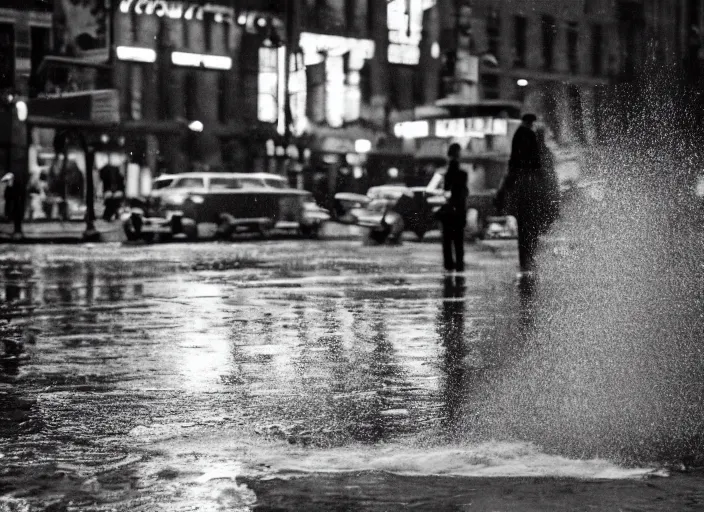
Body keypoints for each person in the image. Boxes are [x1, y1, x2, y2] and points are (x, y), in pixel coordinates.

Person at [495, 113, 558, 272]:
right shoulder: (539, 148)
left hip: (524, 190)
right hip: (535, 189)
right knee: (532, 225)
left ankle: (525, 258)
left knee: (524, 226)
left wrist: (505, 188)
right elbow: (544, 170)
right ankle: (528, 256)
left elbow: (512, 166)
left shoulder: (520, 141)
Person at [440, 143, 469, 272]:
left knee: (447, 239)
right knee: (458, 239)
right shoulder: (462, 174)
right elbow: (463, 191)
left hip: (449, 208)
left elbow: (446, 188)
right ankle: (459, 263)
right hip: (459, 209)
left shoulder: (447, 173)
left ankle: (449, 263)